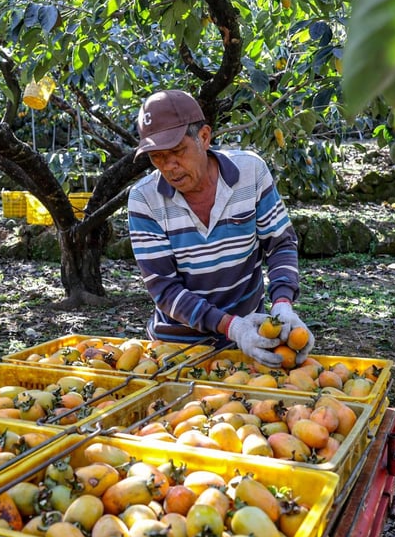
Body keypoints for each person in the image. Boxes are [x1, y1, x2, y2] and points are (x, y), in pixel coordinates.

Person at [127, 89, 315, 368]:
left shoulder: (250, 173)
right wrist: (231, 327)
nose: (169, 166)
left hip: (252, 343)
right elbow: (165, 290)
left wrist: (283, 304)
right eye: (157, 157)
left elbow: (280, 243)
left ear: (204, 137)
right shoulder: (145, 199)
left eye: (178, 151)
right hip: (177, 347)